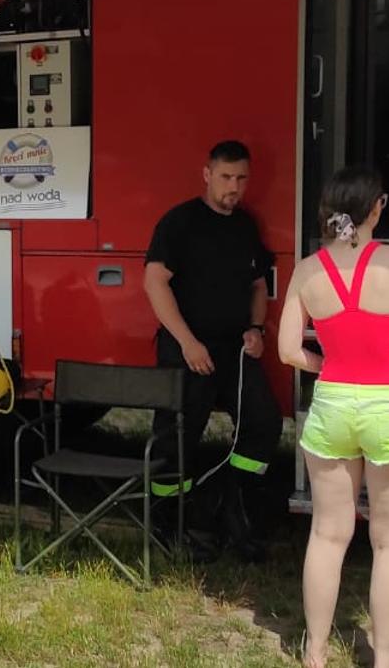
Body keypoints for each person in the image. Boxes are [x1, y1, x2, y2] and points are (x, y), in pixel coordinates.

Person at [278, 167, 389, 668]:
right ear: (377, 208)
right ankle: (385, 656)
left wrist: (324, 363)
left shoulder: (307, 271)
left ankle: (316, 650)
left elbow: (288, 351)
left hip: (332, 405)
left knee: (328, 535)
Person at [143, 140, 283, 562]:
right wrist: (187, 342)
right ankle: (169, 523)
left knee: (264, 422)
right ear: (207, 175)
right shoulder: (180, 222)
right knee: (178, 436)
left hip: (234, 350)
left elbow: (259, 286)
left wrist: (257, 329)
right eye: (225, 177)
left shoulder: (245, 226)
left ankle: (230, 507)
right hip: (187, 350)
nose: (233, 187)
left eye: (241, 179)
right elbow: (154, 282)